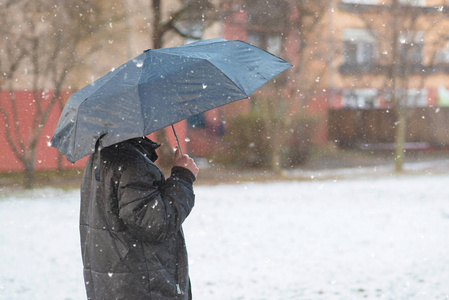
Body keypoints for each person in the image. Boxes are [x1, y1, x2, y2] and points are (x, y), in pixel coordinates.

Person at [79, 136, 199, 300]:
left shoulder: (101, 156)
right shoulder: (131, 163)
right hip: (143, 285)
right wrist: (183, 176)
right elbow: (155, 224)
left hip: (115, 282)